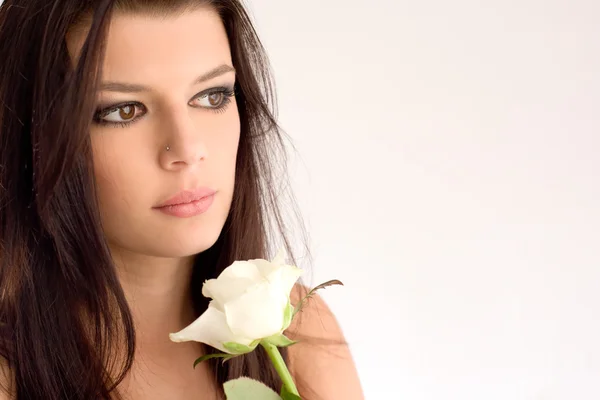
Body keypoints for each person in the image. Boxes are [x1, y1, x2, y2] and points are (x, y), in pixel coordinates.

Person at [0, 0, 364, 399]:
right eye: (124, 111)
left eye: (211, 97)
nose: (187, 149)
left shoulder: (297, 330)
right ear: (35, 135)